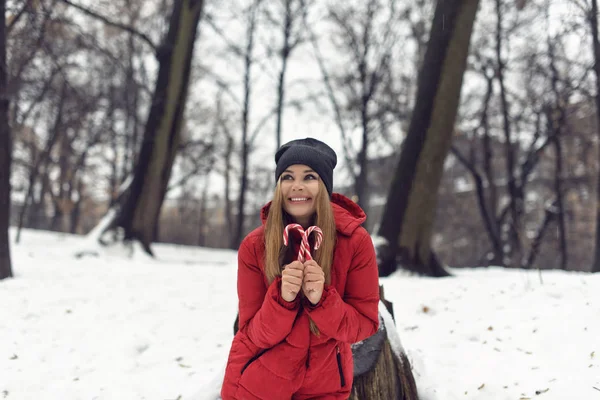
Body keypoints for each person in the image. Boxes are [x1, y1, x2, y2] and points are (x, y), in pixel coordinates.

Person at [221, 138, 380, 400]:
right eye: (287, 177)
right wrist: (282, 300)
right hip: (257, 383)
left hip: (325, 384)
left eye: (309, 177)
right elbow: (252, 334)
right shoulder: (254, 246)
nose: (297, 185)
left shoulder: (355, 243)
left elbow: (365, 324)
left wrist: (323, 301)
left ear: (325, 186)